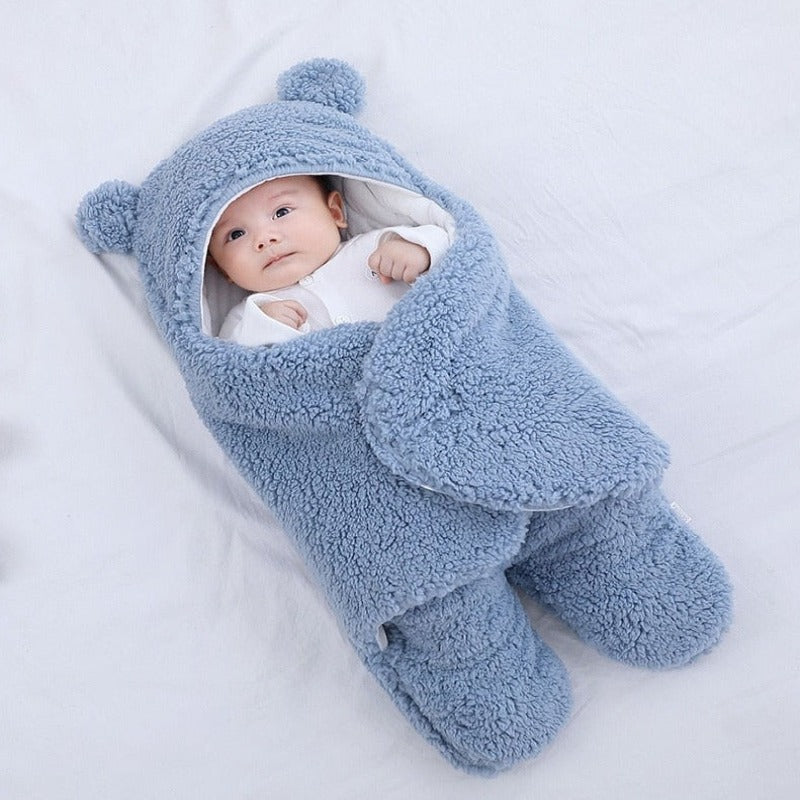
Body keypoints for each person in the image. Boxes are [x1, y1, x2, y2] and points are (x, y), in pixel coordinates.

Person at [206, 174, 450, 344]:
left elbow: (449, 245)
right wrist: (264, 327)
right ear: (222, 268)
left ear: (335, 212)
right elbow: (231, 370)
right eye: (236, 234)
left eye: (281, 212)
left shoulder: (377, 245)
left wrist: (419, 251)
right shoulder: (248, 316)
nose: (264, 239)